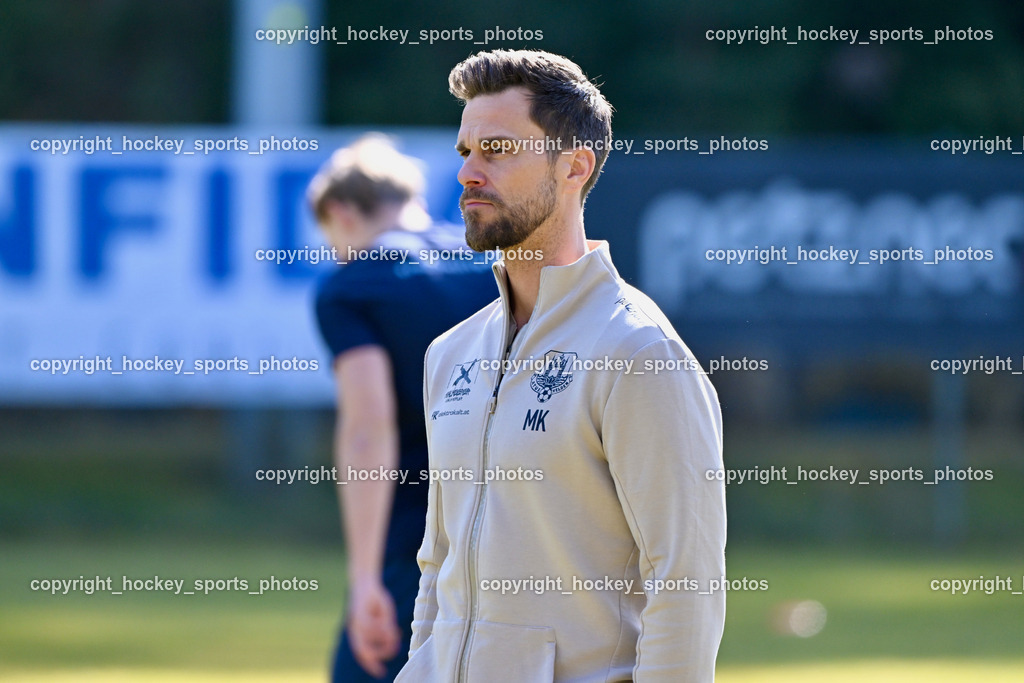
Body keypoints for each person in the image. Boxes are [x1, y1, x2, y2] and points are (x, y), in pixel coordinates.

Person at [396, 50, 727, 682]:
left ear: (575, 165)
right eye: (466, 150)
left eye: (497, 149)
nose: (468, 172)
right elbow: (437, 563)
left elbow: (686, 580)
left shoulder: (638, 352)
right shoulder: (450, 354)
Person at [308, 134, 497, 682]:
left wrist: (365, 579)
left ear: (341, 213)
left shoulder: (352, 288)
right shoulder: (492, 265)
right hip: (519, 514)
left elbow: (369, 427)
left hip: (418, 528)